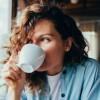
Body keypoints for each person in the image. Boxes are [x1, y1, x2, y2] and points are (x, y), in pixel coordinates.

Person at [1, 3, 100, 100]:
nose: (34, 47)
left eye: (45, 39)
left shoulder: (89, 71)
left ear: (67, 44)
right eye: (29, 41)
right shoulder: (24, 76)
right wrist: (15, 91)